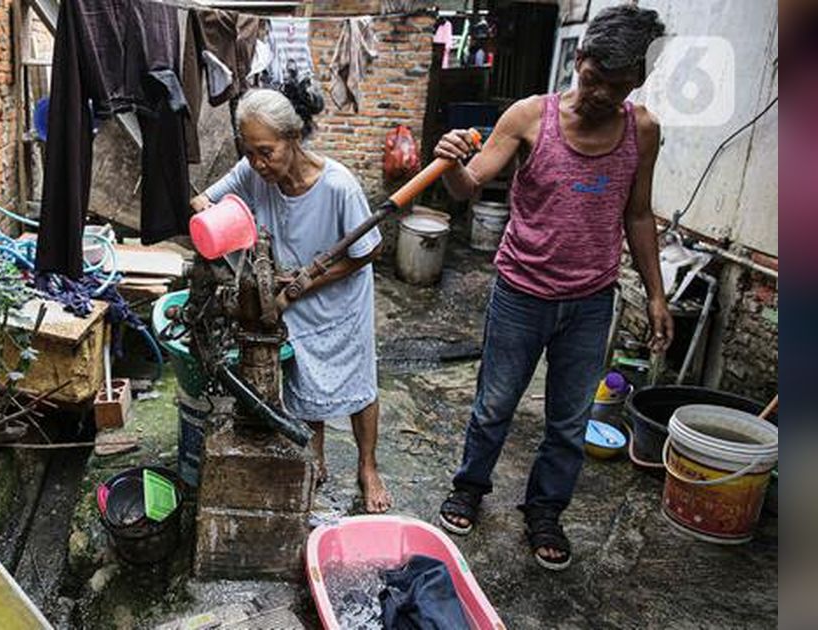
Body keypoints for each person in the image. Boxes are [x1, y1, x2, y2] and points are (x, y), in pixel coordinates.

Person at [433, 5, 671, 571]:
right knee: (494, 406)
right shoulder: (527, 117)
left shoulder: (643, 131)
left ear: (636, 81)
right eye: (594, 80)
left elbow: (638, 216)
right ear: (579, 60)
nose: (602, 97)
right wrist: (448, 166)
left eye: (618, 88)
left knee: (569, 421)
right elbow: (469, 188)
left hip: (591, 301)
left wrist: (657, 295)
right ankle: (470, 487)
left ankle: (545, 511)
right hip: (520, 292)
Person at [190, 86, 393, 513]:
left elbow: (368, 251)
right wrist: (209, 215)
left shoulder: (338, 186)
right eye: (250, 152)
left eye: (267, 151)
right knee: (305, 384)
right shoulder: (252, 174)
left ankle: (368, 466)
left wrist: (303, 285)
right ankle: (313, 458)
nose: (258, 163)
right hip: (290, 299)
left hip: (340, 299)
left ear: (294, 137)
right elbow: (204, 199)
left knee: (358, 387)